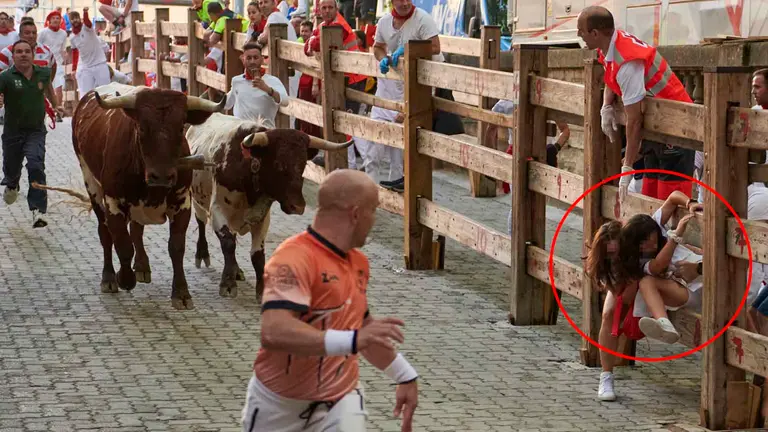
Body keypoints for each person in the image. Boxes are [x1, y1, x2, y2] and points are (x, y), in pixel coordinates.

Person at [240, 169, 419, 432]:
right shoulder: (292, 259)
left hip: (341, 398)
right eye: (374, 210)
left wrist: (405, 376)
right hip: (278, 405)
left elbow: (364, 331)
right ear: (356, 214)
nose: (375, 220)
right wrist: (353, 340)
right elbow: (274, 331)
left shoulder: (358, 263)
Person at [587, 191, 703, 401]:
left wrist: (691, 202)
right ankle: (606, 376)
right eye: (609, 254)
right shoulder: (614, 260)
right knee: (609, 313)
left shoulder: (646, 230)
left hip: (654, 282)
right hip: (633, 280)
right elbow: (620, 288)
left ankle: (659, 323)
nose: (612, 255)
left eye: (615, 252)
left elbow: (672, 198)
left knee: (638, 288)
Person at [577, 6, 694, 205]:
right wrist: (606, 105)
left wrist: (627, 167)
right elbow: (611, 76)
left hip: (677, 129)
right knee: (650, 202)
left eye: (581, 30)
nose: (578, 34)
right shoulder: (612, 45)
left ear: (595, 33)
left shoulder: (628, 63)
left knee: (671, 205)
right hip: (658, 128)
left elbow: (634, 120)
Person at [360, 0, 443, 189]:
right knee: (373, 150)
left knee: (399, 155)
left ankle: (397, 196)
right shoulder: (384, 22)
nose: (405, 3)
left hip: (413, 89)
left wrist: (407, 50)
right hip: (387, 91)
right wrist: (383, 59)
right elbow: (378, 46)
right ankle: (368, 193)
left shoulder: (423, 19)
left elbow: (436, 47)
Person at [304, 0, 368, 170]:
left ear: (336, 9)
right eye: (323, 8)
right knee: (340, 121)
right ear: (319, 10)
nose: (326, 11)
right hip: (341, 79)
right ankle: (346, 163)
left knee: (348, 122)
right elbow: (308, 46)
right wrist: (312, 42)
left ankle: (362, 164)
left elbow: (316, 44)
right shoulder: (326, 24)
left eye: (330, 7)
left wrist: (312, 42)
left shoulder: (338, 24)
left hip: (353, 79)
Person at [0, 40, 56, 228]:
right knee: (11, 169)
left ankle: (39, 211)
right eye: (19, 52)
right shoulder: (5, 77)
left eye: (27, 51)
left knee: (36, 164)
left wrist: (56, 106)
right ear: (13, 56)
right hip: (12, 133)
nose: (23, 54)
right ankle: (12, 184)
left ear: (33, 54)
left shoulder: (43, 73)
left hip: (35, 131)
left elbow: (49, 90)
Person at [225, 41, 288, 128]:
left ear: (262, 59)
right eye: (249, 58)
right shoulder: (237, 81)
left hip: (264, 132)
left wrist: (267, 89)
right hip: (241, 132)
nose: (252, 61)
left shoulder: (273, 81)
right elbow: (227, 104)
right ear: (243, 60)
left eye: (255, 58)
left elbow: (285, 102)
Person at [68, 8, 110, 99]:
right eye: (72, 19)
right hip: (86, 67)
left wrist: (85, 12)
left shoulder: (87, 28)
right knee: (86, 95)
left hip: (100, 63)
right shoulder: (72, 37)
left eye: (76, 18)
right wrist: (74, 69)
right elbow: (75, 53)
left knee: (106, 91)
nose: (75, 20)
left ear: (80, 18)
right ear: (70, 21)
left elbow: (87, 22)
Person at [38, 10, 67, 122]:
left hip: (58, 63)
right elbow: (37, 47)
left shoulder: (64, 34)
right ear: (49, 20)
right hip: (44, 64)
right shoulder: (43, 32)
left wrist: (65, 60)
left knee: (58, 87)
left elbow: (62, 49)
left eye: (58, 18)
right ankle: (41, 112)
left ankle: (58, 112)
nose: (56, 20)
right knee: (43, 88)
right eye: (53, 18)